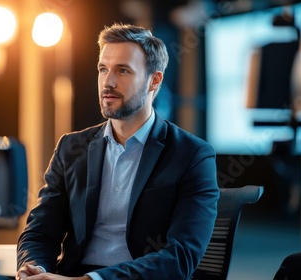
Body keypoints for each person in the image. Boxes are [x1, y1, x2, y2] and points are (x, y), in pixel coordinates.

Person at [16, 23, 219, 280]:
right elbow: (40, 232)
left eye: (123, 71)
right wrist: (35, 269)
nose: (108, 82)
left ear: (154, 80)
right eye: (103, 69)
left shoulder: (192, 155)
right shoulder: (71, 147)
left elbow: (180, 257)